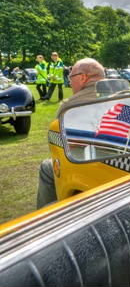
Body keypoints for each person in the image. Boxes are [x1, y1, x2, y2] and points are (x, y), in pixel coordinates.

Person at [36, 58, 106, 209]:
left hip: (87, 163)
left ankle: (46, 218)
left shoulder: (70, 106)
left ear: (82, 78)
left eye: (71, 78)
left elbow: (58, 148)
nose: (69, 82)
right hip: (117, 160)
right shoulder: (120, 96)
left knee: (47, 167)